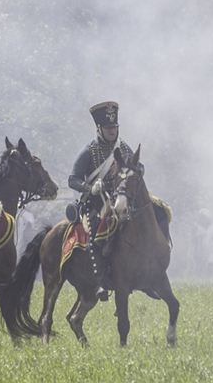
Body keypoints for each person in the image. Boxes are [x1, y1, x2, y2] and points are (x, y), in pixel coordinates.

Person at [68, 101, 141, 301]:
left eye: (114, 127)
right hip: (95, 203)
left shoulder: (124, 148)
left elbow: (139, 167)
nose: (112, 131)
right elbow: (72, 179)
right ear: (99, 128)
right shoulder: (89, 151)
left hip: (120, 200)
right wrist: (90, 188)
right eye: (108, 128)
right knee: (93, 233)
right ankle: (100, 281)